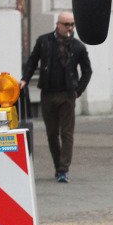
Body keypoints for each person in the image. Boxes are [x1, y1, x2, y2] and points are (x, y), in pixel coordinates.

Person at [20, 10, 92, 183]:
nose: (69, 28)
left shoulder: (77, 46)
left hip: (68, 95)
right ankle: (57, 164)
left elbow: (87, 71)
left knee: (66, 133)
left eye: (72, 24)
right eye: (66, 24)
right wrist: (24, 80)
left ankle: (63, 169)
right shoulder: (44, 41)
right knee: (52, 133)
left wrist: (78, 90)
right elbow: (32, 62)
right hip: (48, 93)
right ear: (58, 24)